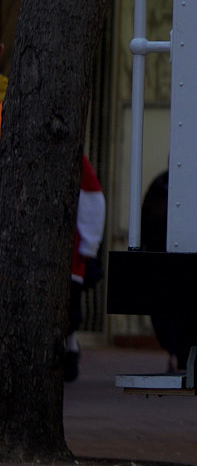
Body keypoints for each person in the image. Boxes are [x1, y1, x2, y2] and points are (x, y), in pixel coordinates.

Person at [64, 152, 105, 384]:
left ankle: (70, 350)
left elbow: (93, 198)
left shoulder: (75, 156)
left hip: (71, 251)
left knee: (71, 311)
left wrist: (89, 243)